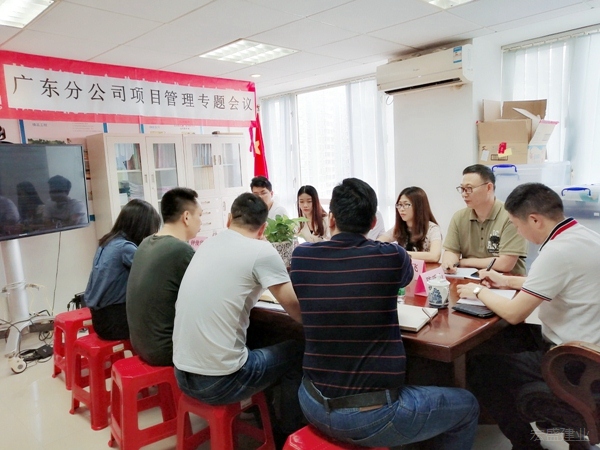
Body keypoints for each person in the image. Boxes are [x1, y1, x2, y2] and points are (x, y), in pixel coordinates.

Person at [290, 178, 479, 449]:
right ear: (372, 223)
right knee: (467, 406)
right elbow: (405, 279)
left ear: (331, 219)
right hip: (369, 416)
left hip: (311, 402)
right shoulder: (391, 256)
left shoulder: (302, 256)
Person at [457, 182, 600, 450]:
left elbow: (514, 313)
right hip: (590, 349)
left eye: (516, 225)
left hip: (573, 362)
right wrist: (505, 281)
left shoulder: (557, 251)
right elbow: (557, 281)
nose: (517, 231)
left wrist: (476, 290)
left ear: (534, 220)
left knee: (480, 367)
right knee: (504, 339)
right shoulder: (583, 236)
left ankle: (525, 444)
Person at [173, 192, 304, 443]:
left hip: (181, 374)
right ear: (263, 229)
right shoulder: (261, 250)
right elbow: (296, 311)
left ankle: (264, 420)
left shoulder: (207, 244)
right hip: (219, 382)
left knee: (258, 340)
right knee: (296, 350)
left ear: (229, 218)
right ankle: (287, 436)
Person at [126, 188, 202, 366]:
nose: (201, 221)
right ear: (186, 217)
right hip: (165, 350)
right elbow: (206, 297)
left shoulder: (146, 242)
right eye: (200, 215)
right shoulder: (181, 250)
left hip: (140, 343)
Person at [84, 199, 161, 340]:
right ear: (141, 227)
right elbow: (153, 273)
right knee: (163, 316)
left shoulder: (108, 241)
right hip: (114, 323)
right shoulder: (126, 248)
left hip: (99, 318)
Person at [442, 164, 528, 275]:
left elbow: (505, 264)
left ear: (489, 188)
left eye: (469, 189)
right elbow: (451, 251)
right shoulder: (459, 217)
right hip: (469, 279)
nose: (464, 194)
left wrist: (465, 262)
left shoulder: (511, 216)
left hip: (506, 281)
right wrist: (449, 262)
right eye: (462, 189)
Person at [378, 186, 442, 262]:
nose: (401, 209)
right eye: (399, 205)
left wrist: (401, 253)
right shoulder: (400, 227)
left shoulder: (432, 229)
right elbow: (378, 243)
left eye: (406, 204)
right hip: (405, 269)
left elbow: (434, 256)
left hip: (426, 269)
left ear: (418, 207)